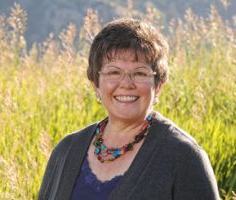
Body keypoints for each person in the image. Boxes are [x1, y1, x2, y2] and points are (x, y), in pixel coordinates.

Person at [38, 18, 220, 200]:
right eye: (114, 72)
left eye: (139, 73)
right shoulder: (67, 151)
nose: (126, 83)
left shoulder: (183, 156)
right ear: (96, 84)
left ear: (158, 86)